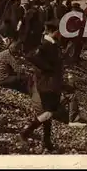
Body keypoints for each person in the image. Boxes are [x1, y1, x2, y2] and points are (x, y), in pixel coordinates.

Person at [21, 21, 64, 152]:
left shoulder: (51, 44)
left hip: (52, 82)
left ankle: (47, 141)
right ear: (54, 31)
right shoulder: (46, 44)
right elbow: (30, 56)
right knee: (50, 112)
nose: (61, 34)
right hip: (48, 83)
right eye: (59, 31)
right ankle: (27, 132)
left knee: (48, 113)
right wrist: (47, 69)